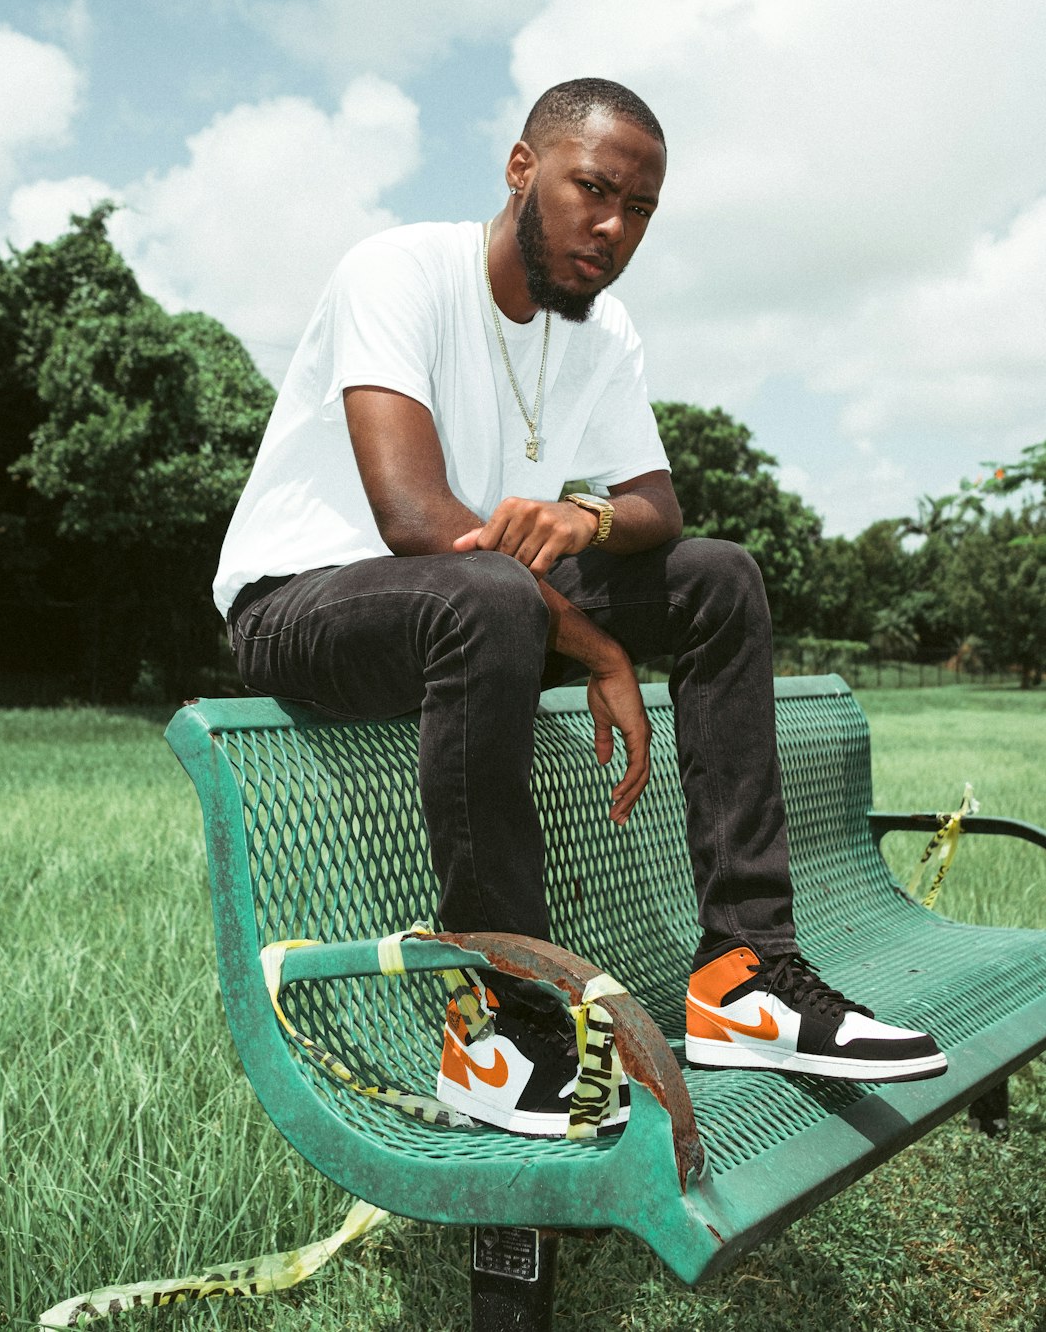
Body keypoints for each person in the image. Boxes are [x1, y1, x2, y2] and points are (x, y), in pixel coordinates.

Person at [214, 77, 946, 1138]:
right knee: (490, 591)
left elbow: (658, 503)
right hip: (306, 605)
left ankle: (747, 975)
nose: (611, 229)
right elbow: (415, 515)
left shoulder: (602, 333)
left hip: (482, 602)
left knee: (718, 576)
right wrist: (599, 647)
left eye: (639, 209)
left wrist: (587, 522)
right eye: (591, 190)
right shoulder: (398, 272)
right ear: (522, 169)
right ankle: (499, 1026)